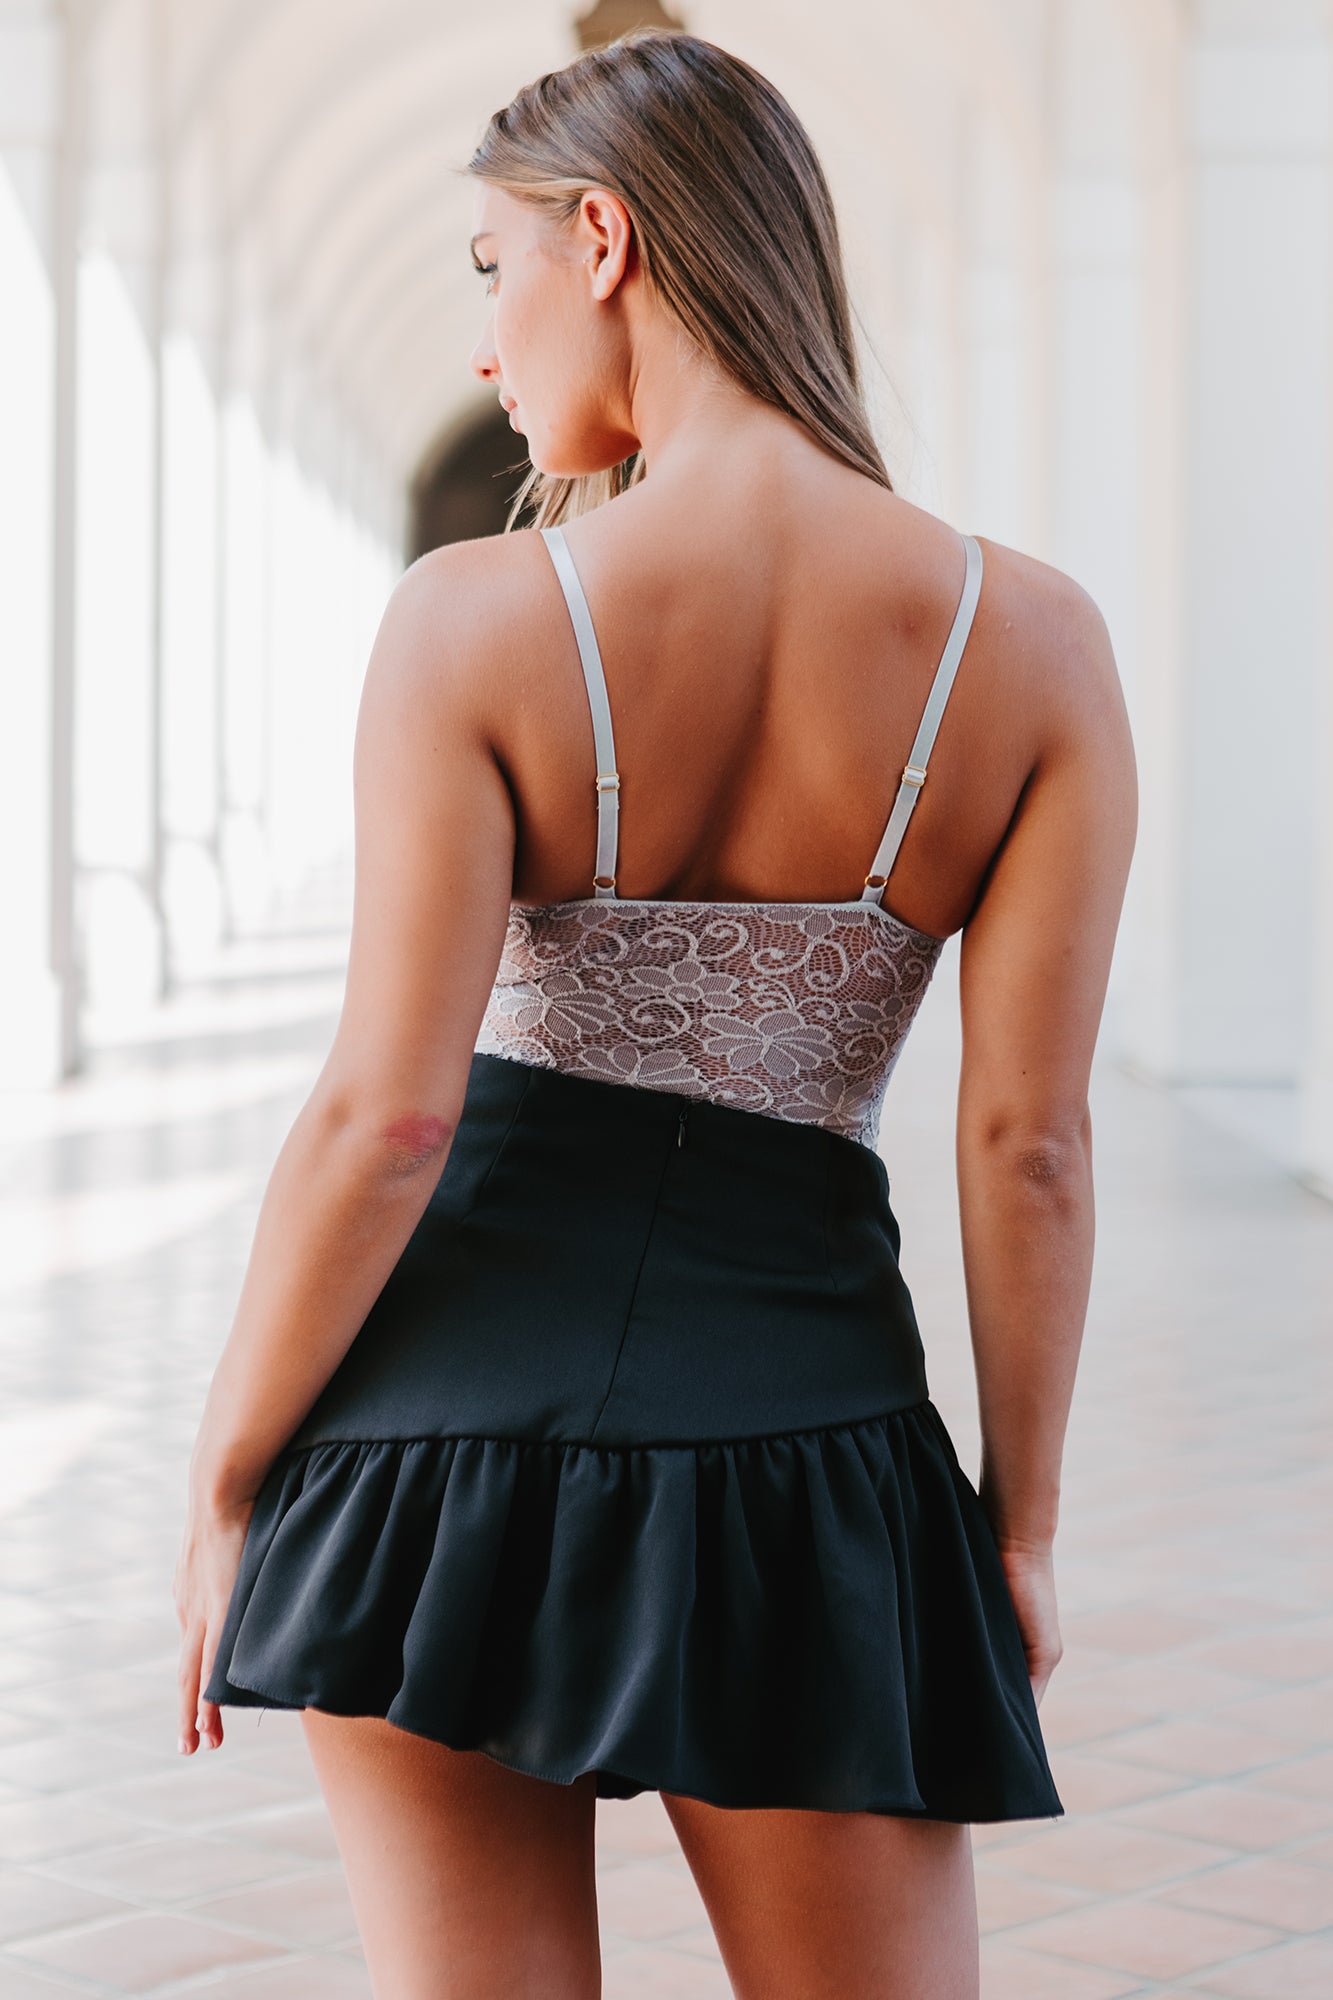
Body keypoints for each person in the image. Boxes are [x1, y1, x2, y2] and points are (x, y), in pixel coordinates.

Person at [174, 27, 1136, 2000]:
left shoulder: (473, 619)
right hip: (809, 1447)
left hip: (434, 1443)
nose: (485, 347)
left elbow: (386, 1120)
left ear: (602, 240)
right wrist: (1016, 1525)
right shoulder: (1032, 643)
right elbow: (1025, 1142)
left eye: (492, 270)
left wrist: (226, 1473)